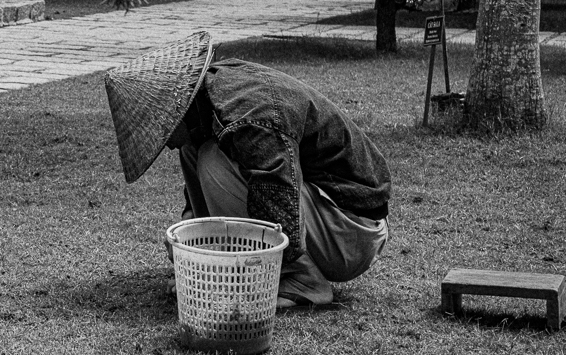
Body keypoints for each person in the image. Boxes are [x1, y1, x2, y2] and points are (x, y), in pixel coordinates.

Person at [104, 31, 391, 308]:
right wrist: (193, 255)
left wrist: (230, 281)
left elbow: (279, 201)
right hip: (327, 218)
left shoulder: (247, 118)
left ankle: (299, 279)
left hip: (352, 232)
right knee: (195, 150)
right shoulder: (215, 96)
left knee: (211, 161)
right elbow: (200, 204)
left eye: (161, 134)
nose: (164, 145)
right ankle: (240, 268)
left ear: (177, 111)